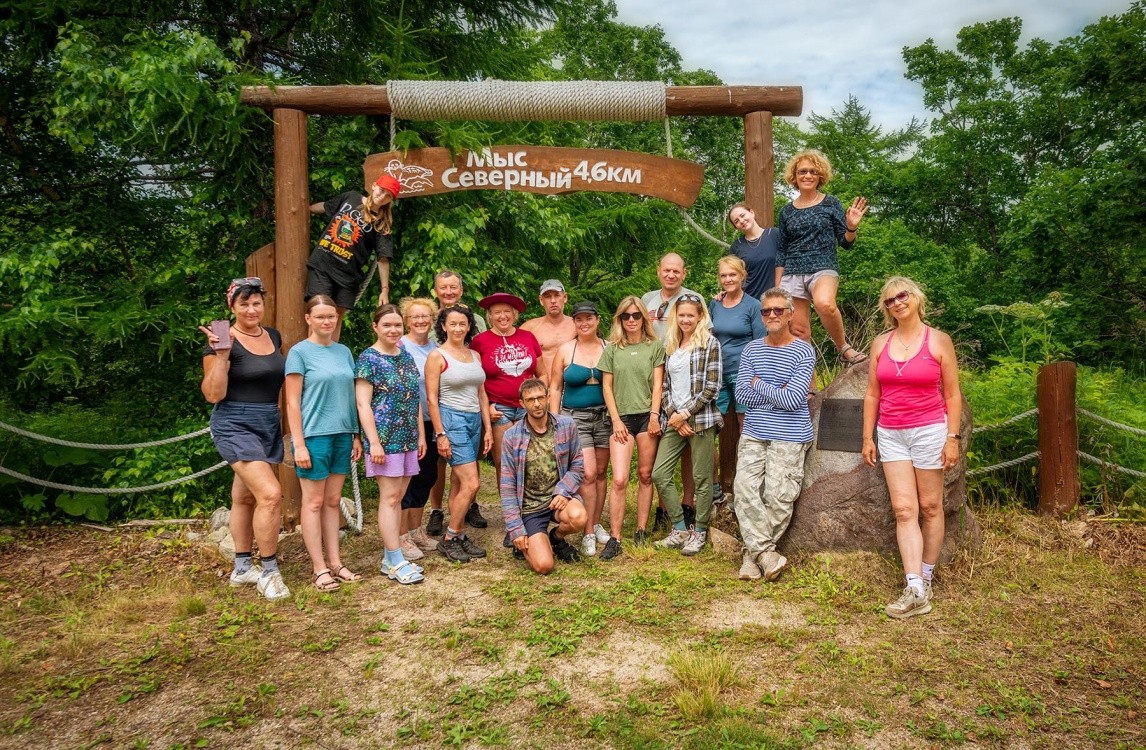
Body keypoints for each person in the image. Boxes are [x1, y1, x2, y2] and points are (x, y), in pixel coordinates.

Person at [862, 277, 962, 620]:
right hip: (891, 433)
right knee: (904, 510)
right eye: (889, 301)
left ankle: (927, 576)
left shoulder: (938, 340)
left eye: (901, 296)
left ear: (916, 297)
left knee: (931, 506)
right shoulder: (880, 344)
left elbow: (952, 394)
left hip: (930, 431)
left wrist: (953, 438)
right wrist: (867, 436)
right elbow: (873, 393)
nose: (896, 303)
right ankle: (914, 586)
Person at [199, 277, 290, 602]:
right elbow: (212, 394)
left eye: (256, 303)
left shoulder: (273, 335)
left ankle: (241, 567)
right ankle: (269, 571)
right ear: (231, 307)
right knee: (270, 495)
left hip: (267, 421)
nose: (252, 309)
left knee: (245, 498)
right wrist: (222, 355)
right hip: (234, 422)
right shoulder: (222, 339)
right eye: (244, 304)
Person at [732, 287, 816, 582]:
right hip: (755, 431)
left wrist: (759, 383)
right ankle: (766, 555)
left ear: (790, 314)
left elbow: (794, 400)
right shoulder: (752, 350)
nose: (771, 315)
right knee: (744, 490)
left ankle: (750, 554)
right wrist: (776, 392)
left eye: (778, 310)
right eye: (766, 311)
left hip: (790, 434)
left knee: (778, 497)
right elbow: (742, 393)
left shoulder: (803, 351)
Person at [285, 295, 364, 592]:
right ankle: (318, 568)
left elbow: (350, 396)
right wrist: (300, 444)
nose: (327, 321)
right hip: (314, 435)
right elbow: (292, 402)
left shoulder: (343, 351)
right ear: (308, 319)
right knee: (314, 501)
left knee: (333, 501)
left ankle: (336, 562)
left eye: (331, 316)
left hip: (342, 434)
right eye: (320, 317)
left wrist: (355, 434)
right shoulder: (299, 353)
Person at [776, 149, 869, 369]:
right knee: (799, 332)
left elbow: (845, 243)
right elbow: (782, 249)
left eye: (812, 171)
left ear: (820, 176)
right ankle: (808, 389)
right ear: (794, 177)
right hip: (792, 272)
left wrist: (852, 227)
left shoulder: (831, 203)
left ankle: (844, 348)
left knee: (824, 303)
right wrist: (778, 286)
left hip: (823, 267)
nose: (807, 175)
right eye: (802, 172)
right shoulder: (786, 211)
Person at [355, 304, 428, 584]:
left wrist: (421, 435)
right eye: (387, 325)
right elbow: (363, 404)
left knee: (398, 498)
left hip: (409, 437)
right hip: (385, 439)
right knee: (389, 498)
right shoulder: (368, 359)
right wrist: (373, 442)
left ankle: (390, 557)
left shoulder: (406, 356)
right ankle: (396, 559)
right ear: (375, 327)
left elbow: (414, 399)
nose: (393, 330)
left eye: (397, 325)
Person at [652, 294, 723, 556]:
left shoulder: (710, 344)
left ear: (700, 316)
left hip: (701, 420)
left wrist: (686, 414)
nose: (685, 319)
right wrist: (673, 414)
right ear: (675, 317)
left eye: (690, 315)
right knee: (659, 473)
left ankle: (700, 531)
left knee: (702, 478)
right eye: (681, 315)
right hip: (674, 420)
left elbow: (712, 387)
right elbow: (666, 385)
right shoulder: (671, 344)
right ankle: (680, 527)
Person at [425, 304, 494, 563]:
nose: (457, 328)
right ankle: (450, 538)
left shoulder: (474, 355)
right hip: (451, 418)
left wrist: (488, 428)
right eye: (452, 323)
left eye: (462, 324)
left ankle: (460, 534)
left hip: (475, 418)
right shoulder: (437, 356)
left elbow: (482, 393)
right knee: (472, 483)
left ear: (469, 326)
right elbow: (432, 399)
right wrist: (440, 433)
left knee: (458, 481)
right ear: (443, 326)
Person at [599, 297, 665, 560]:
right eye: (626, 316)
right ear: (620, 319)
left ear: (643, 318)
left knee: (646, 474)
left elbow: (658, 385)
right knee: (619, 478)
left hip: (646, 416)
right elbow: (606, 387)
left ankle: (640, 529)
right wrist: (615, 420)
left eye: (636, 315)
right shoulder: (613, 349)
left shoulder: (655, 347)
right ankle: (615, 537)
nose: (631, 320)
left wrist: (654, 415)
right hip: (621, 417)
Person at [501, 378, 588, 574]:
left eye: (541, 398)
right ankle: (527, 543)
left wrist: (563, 491)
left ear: (548, 398)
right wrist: (516, 529)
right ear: (522, 403)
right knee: (544, 566)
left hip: (556, 500)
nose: (537, 404)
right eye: (531, 400)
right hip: (530, 507)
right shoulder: (511, 436)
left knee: (579, 517)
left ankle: (555, 538)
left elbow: (578, 464)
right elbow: (507, 486)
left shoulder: (566, 425)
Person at [641, 252, 700, 528]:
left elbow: (703, 338)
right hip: (654, 378)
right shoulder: (647, 300)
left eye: (676, 271)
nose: (671, 275)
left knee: (688, 446)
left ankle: (688, 504)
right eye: (667, 270)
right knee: (663, 444)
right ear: (658, 271)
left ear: (684, 273)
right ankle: (663, 510)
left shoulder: (692, 299)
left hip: (684, 379)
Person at [548, 301, 610, 556]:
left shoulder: (609, 348)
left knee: (602, 473)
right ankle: (586, 532)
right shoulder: (565, 350)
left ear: (597, 320)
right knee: (588, 473)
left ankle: (595, 523)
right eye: (579, 319)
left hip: (605, 417)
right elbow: (554, 387)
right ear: (574, 322)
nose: (584, 323)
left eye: (589, 318)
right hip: (575, 420)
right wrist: (554, 420)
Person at [427, 268, 485, 534]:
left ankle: (463, 515)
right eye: (443, 287)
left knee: (466, 476)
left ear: (461, 290)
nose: (449, 292)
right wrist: (440, 431)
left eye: (454, 287)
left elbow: (480, 377)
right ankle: (440, 516)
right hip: (444, 409)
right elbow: (432, 393)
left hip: (472, 408)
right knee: (444, 467)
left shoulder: (478, 326)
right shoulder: (428, 324)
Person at [470, 292, 545, 487]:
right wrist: (485, 407)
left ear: (514, 314)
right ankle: (510, 512)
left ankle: (529, 510)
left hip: (527, 408)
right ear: (489, 316)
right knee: (504, 462)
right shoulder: (480, 342)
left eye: (507, 311)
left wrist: (541, 400)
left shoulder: (528, 337)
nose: (502, 316)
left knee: (529, 459)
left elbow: (542, 374)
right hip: (499, 409)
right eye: (496, 312)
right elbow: (475, 380)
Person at [709, 255, 766, 500]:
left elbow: (760, 343)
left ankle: (746, 485)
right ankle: (712, 487)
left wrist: (758, 377)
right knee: (709, 428)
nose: (728, 279)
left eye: (732, 274)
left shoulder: (753, 305)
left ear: (742, 276)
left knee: (747, 429)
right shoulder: (715, 304)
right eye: (724, 275)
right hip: (717, 375)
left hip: (745, 375)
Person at [307, 175, 400, 317]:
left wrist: (385, 290)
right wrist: (305, 210)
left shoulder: (382, 223)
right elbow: (326, 207)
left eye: (388, 196)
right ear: (374, 186)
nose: (382, 197)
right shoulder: (351, 197)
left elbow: (383, 258)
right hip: (323, 265)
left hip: (347, 276)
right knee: (320, 313)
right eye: (381, 191)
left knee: (335, 318)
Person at [397, 298, 441, 561]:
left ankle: (416, 529)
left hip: (431, 420)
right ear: (407, 320)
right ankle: (401, 535)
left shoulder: (436, 348)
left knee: (426, 477)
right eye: (415, 317)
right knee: (407, 480)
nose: (421, 321)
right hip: (405, 422)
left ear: (433, 319)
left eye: (425, 316)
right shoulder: (400, 346)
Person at [521, 279, 576, 379]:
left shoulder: (577, 326)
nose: (553, 301)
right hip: (542, 389)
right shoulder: (529, 328)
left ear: (565, 297)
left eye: (557, 295)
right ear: (541, 300)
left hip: (572, 390)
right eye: (547, 296)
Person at [726, 202, 780, 302]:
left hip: (775, 298)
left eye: (742, 215)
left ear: (751, 213)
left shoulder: (774, 234)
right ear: (736, 227)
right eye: (736, 221)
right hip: (748, 302)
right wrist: (725, 293)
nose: (741, 221)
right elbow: (732, 275)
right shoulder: (737, 246)